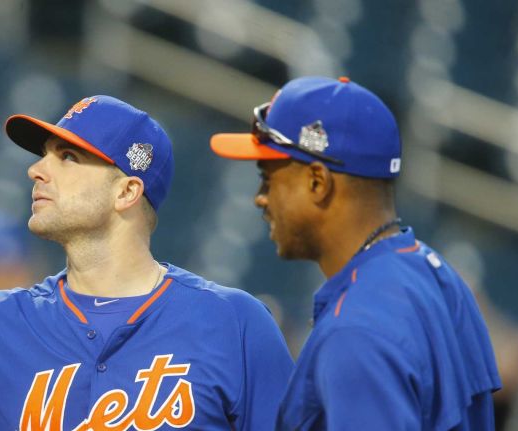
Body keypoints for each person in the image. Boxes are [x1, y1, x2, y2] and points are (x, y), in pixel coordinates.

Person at [0, 95, 294, 430]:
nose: (37, 169)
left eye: (68, 156)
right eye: (44, 154)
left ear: (127, 191)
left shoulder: (234, 323)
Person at [210, 76, 501, 430]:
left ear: (318, 182)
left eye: (268, 178)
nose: (260, 197)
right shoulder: (436, 273)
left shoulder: (355, 330)